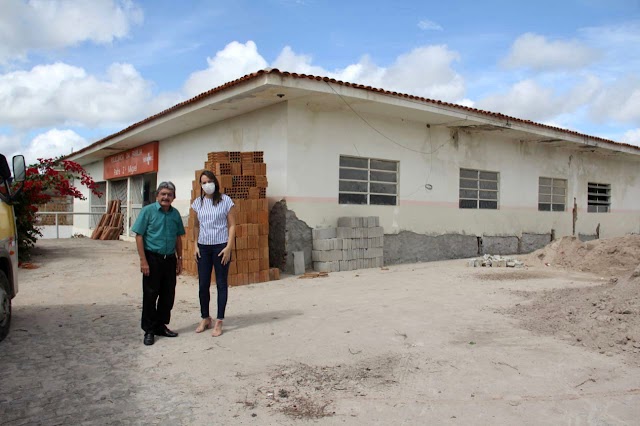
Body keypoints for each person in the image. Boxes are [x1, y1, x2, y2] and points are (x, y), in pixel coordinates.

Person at [132, 181, 185, 346]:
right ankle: (149, 330)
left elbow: (178, 237)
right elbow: (139, 236)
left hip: (169, 259)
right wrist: (143, 260)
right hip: (152, 258)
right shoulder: (147, 212)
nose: (166, 197)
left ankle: (161, 326)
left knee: (168, 295)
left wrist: (180, 259)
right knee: (150, 295)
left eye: (169, 195)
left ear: (174, 197)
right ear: (157, 196)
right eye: (163, 194)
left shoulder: (175, 214)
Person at [191, 170, 236, 337]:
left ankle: (219, 321)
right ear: (200, 185)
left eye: (209, 181)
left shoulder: (225, 201)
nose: (206, 184)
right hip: (203, 248)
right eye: (203, 182)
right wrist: (195, 245)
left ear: (215, 182)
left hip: (220, 248)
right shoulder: (198, 203)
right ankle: (205, 317)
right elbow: (196, 226)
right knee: (203, 284)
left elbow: (232, 225)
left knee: (221, 284)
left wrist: (229, 247)